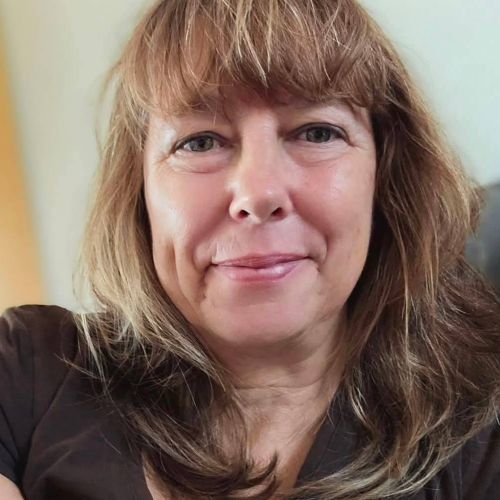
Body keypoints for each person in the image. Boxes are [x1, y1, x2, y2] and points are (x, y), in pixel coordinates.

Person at [1, 0, 500, 498]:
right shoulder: (27, 373)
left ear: (384, 178)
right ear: (139, 192)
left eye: (317, 132)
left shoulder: (483, 424)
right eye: (199, 142)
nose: (259, 193)